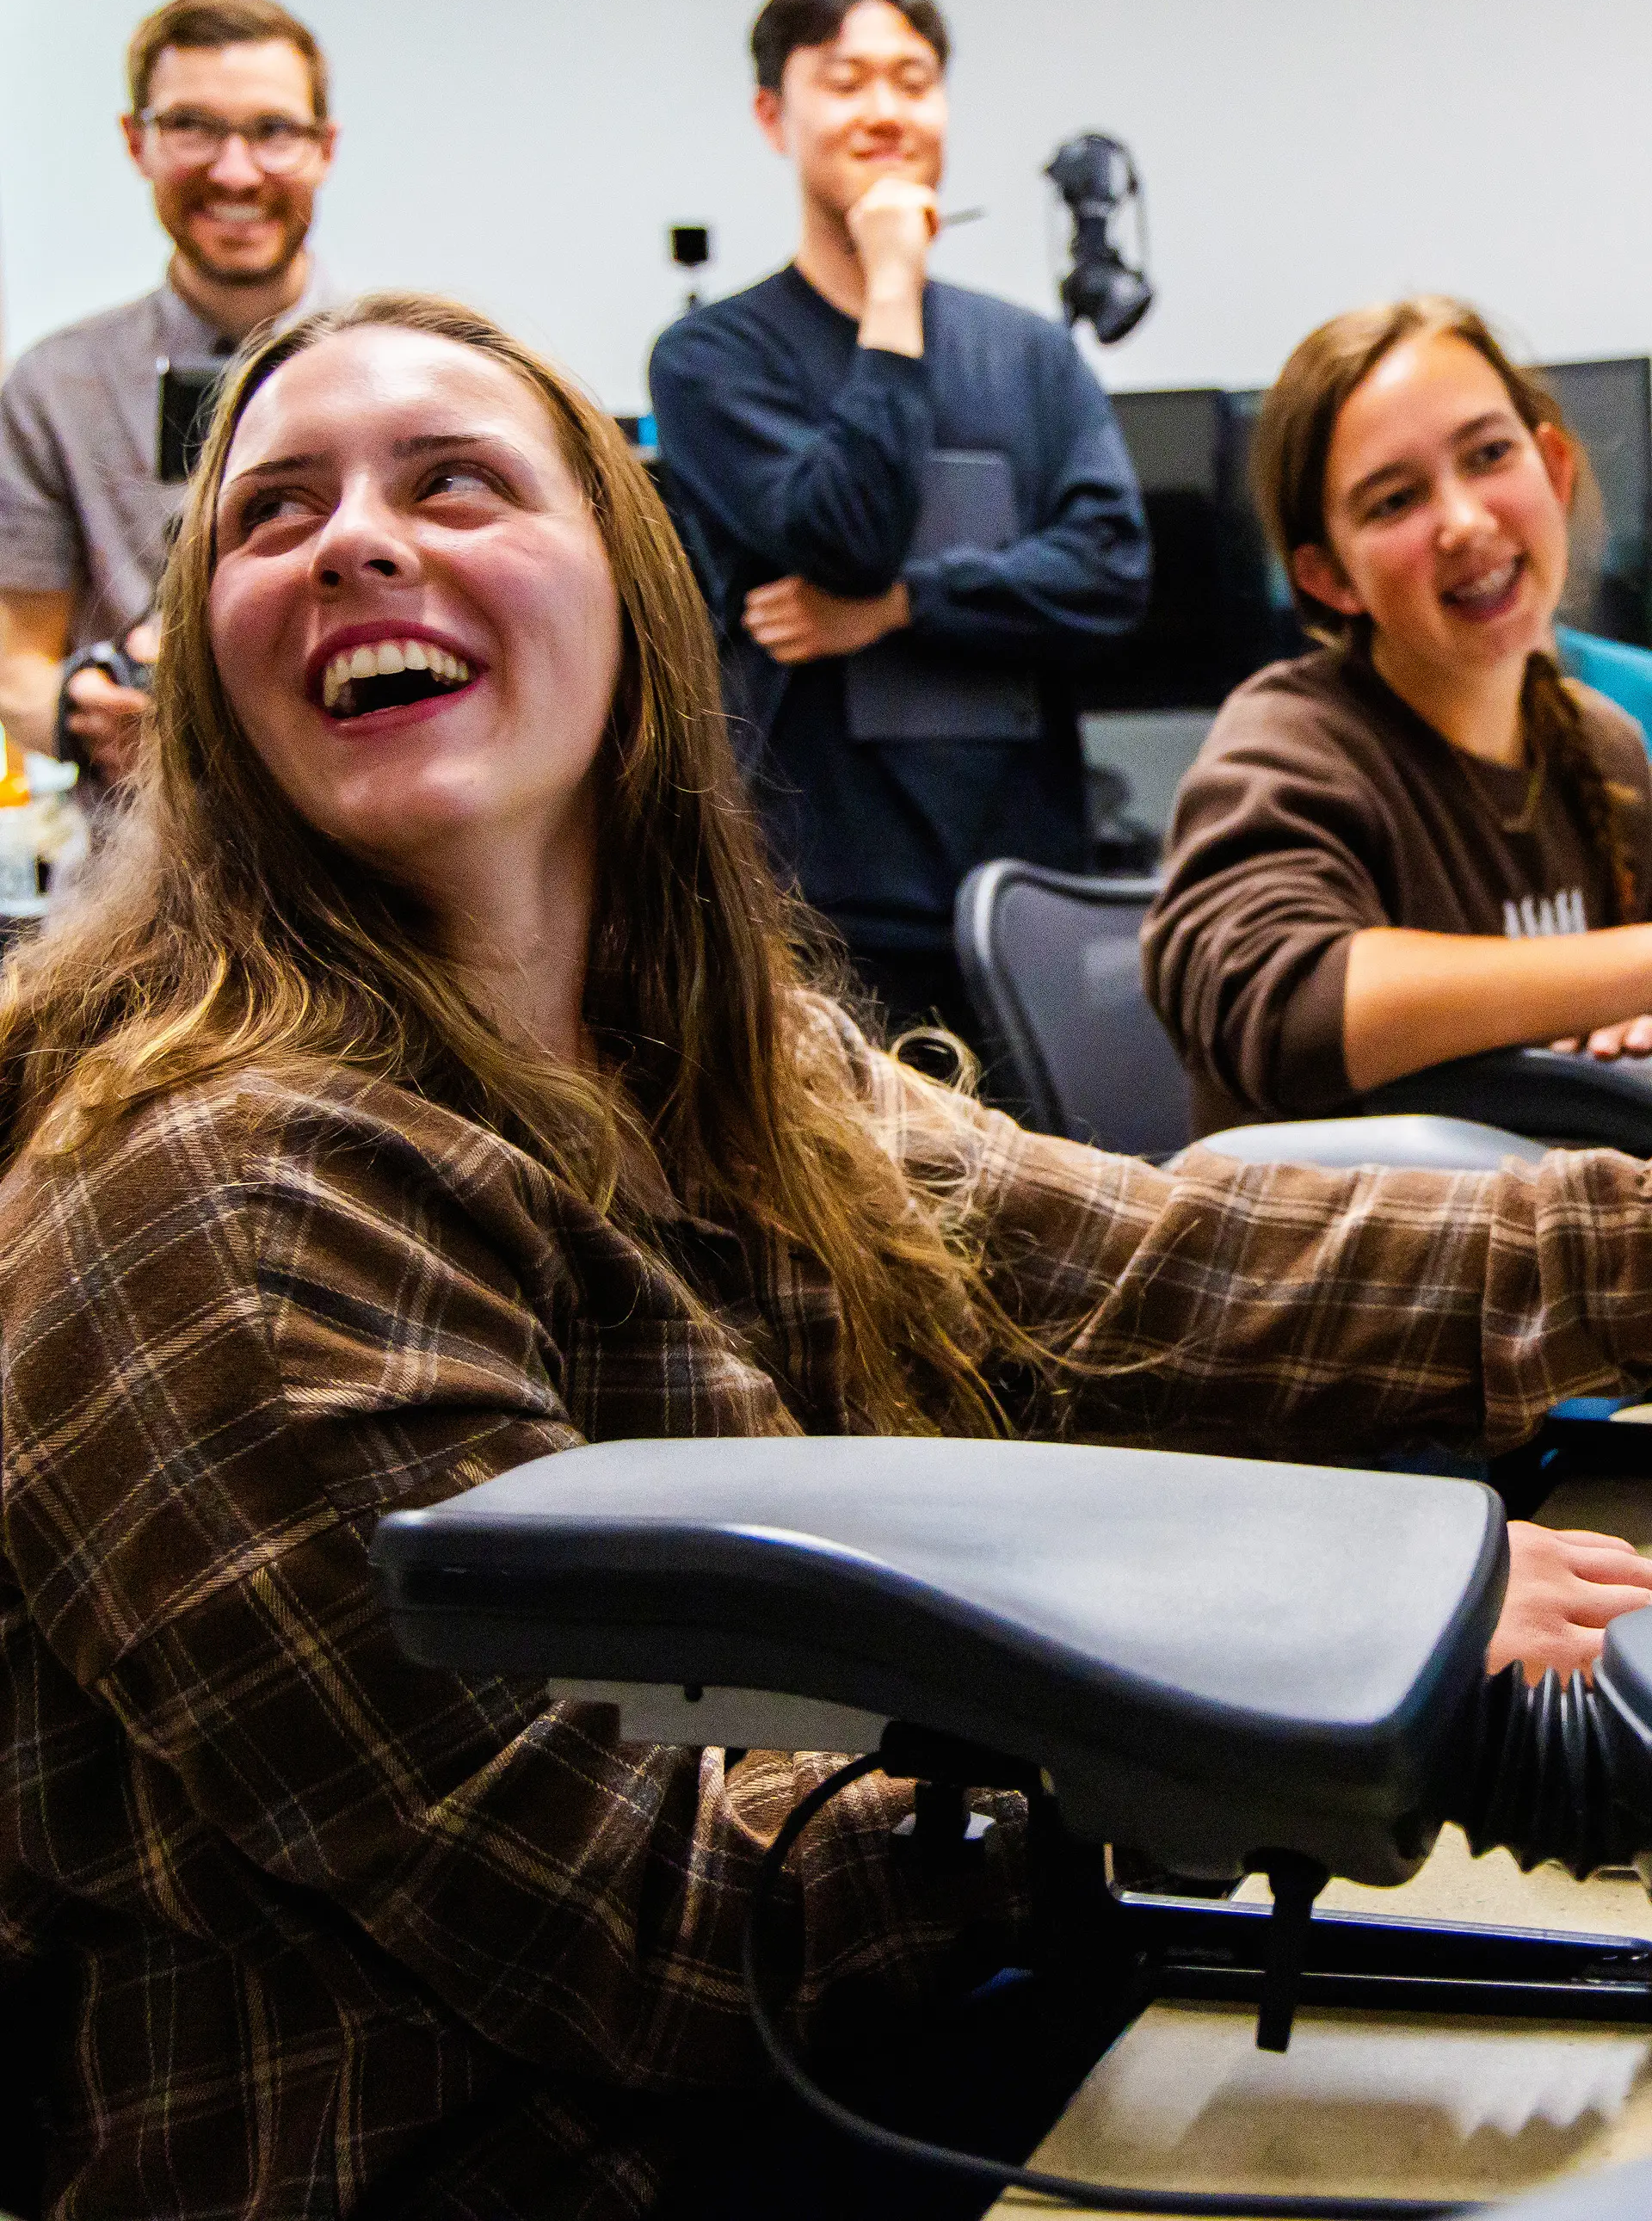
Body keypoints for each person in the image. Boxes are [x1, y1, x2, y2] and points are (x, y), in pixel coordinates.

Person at [3, 292, 1651, 2221]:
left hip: (873, 2055)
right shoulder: (217, 1202)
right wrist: (1329, 1673)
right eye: (270, 517)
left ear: (630, 597)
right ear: (207, 672)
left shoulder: (702, 1054)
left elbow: (1145, 1270)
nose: (358, 537)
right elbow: (646, 1916)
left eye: (454, 481)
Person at [648, 0, 1150, 1048]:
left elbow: (1111, 573)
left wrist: (898, 608)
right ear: (774, 115)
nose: (886, 110)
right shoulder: (711, 361)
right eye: (846, 81)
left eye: (914, 81)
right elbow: (843, 531)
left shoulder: (1033, 355)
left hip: (1027, 895)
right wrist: (889, 293)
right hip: (823, 910)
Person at [1143, 298, 1652, 1137]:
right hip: (1349, 1257)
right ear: (1328, 577)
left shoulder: (1605, 750)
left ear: (1554, 472)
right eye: (1393, 501)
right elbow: (1281, 1005)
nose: (1463, 521)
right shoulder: (1290, 744)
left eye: (1490, 454)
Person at [0, 0, 340, 787]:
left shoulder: (409, 370)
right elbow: (17, 667)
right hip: (137, 872)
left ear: (324, 147)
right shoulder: (58, 387)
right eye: (191, 126)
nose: (235, 171)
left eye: (274, 131)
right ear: (136, 142)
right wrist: (82, 715)